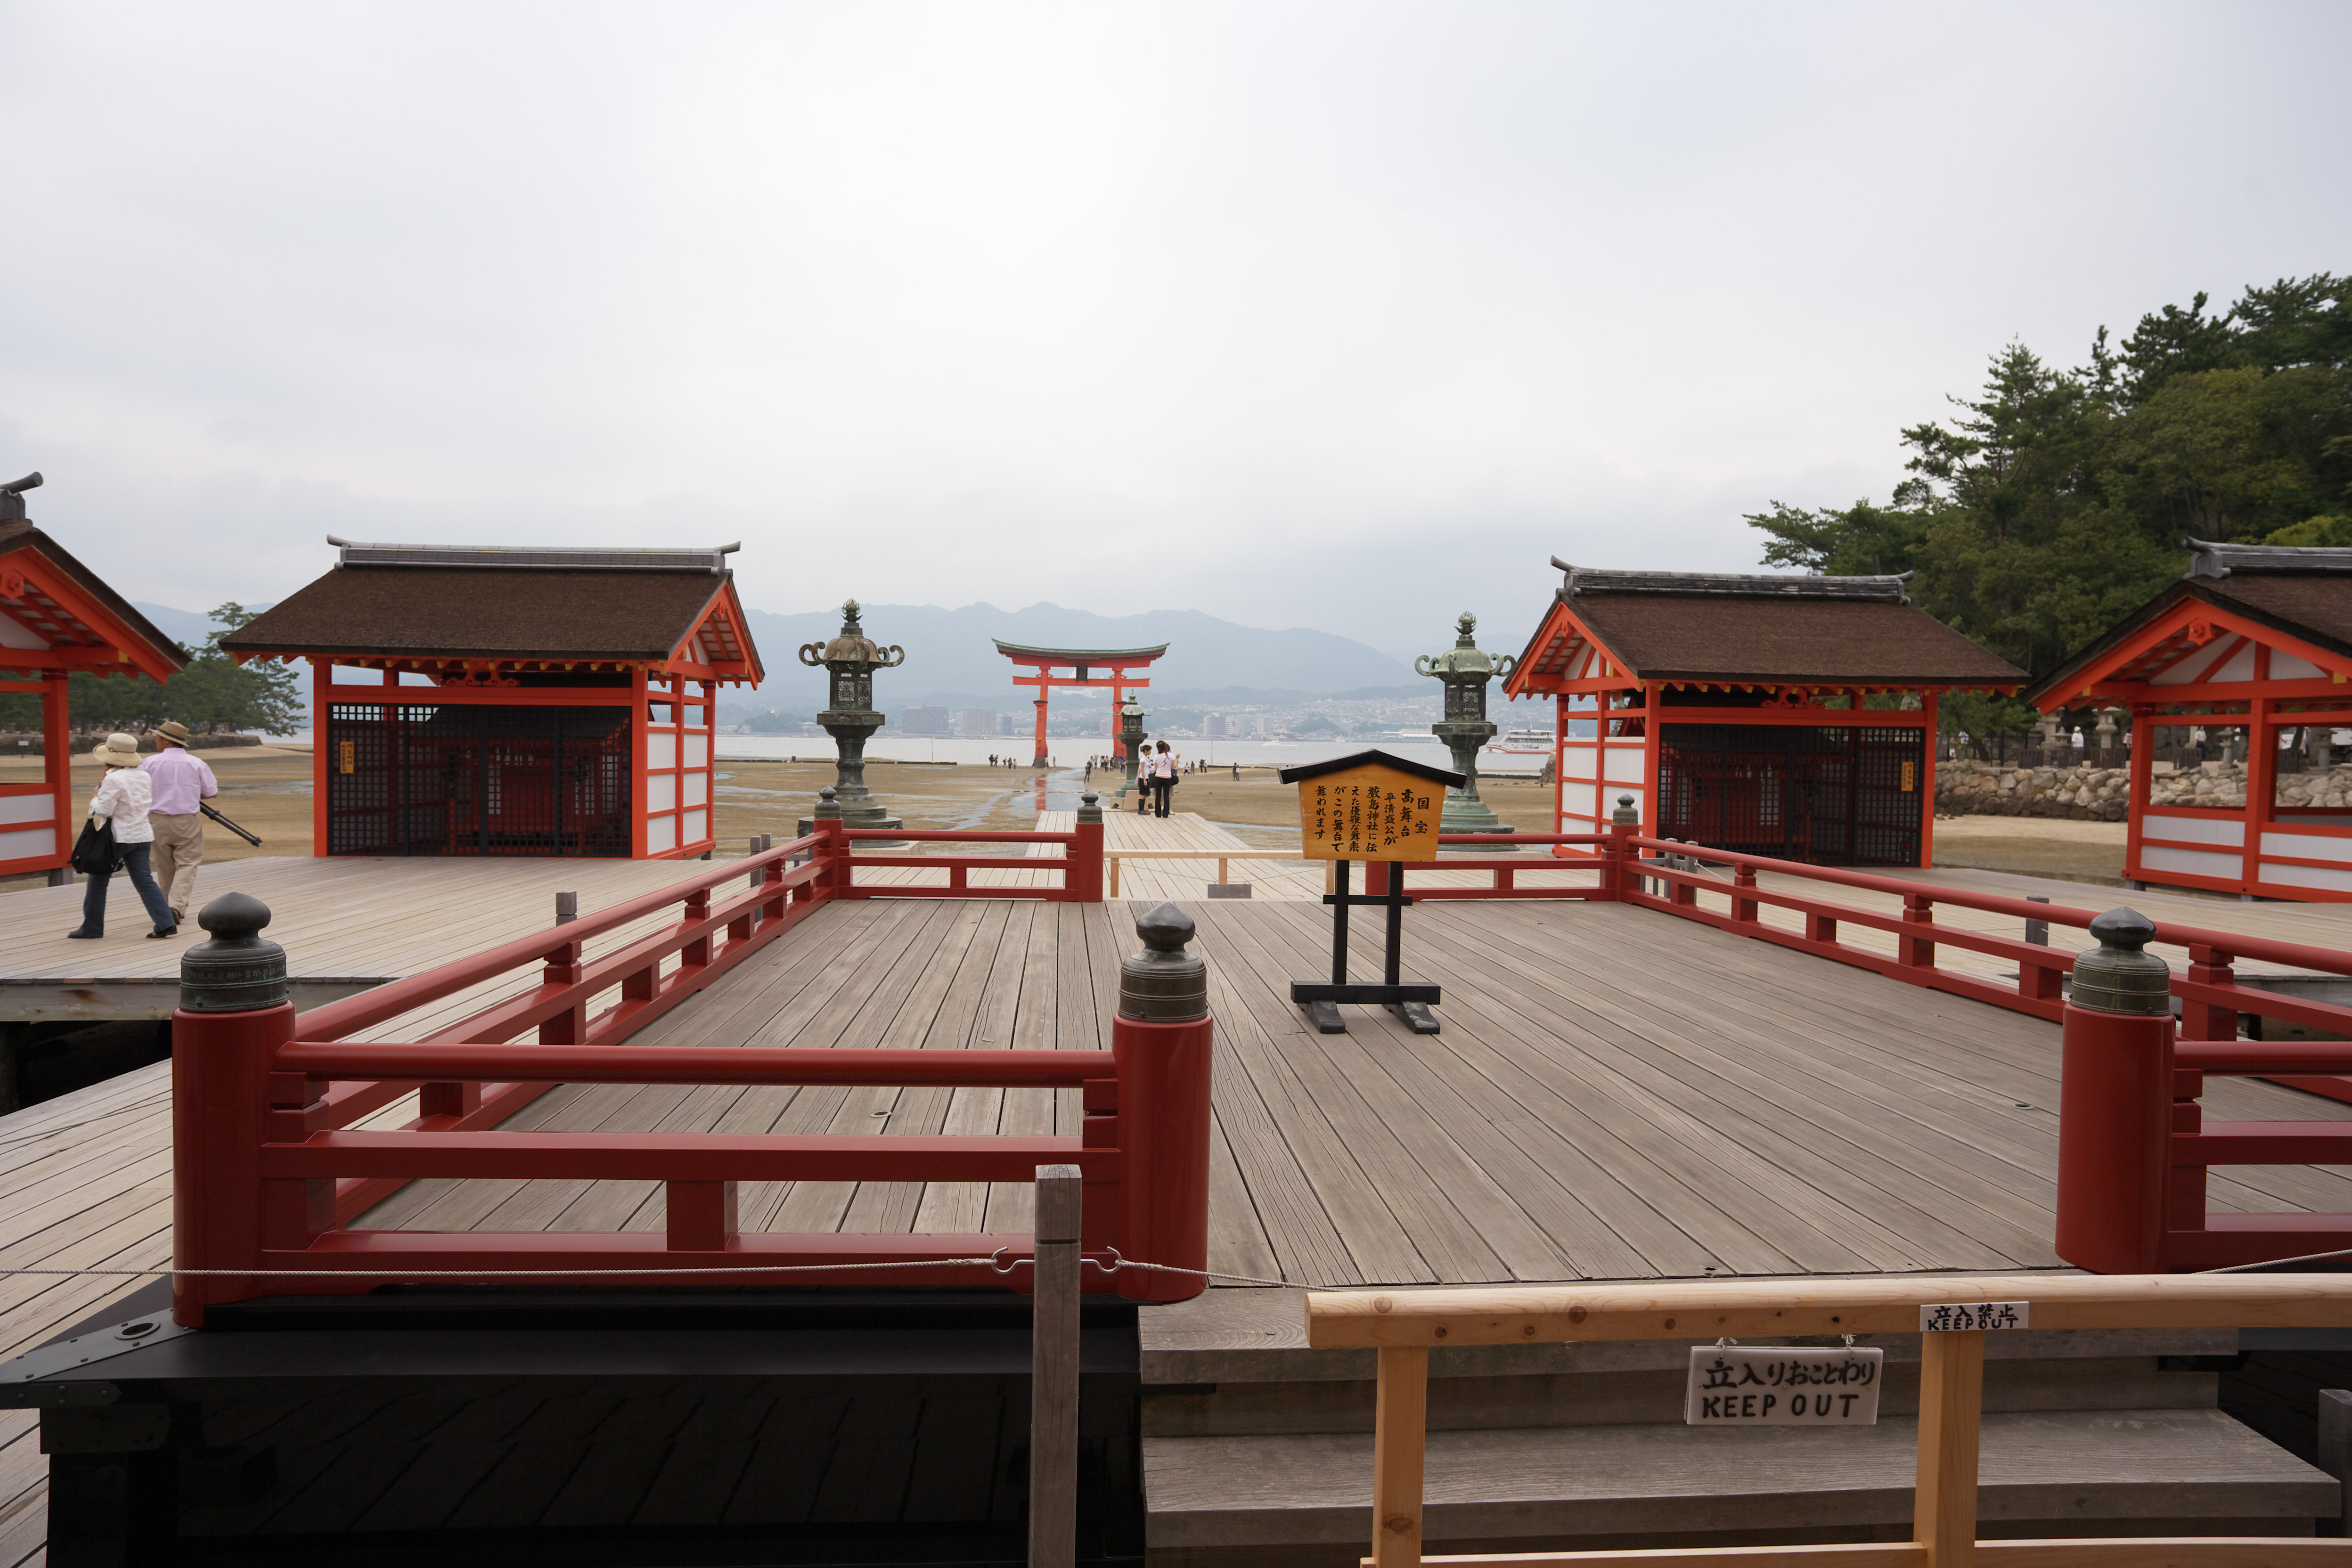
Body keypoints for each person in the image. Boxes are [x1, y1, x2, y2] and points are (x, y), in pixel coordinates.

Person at [67, 733, 177, 939]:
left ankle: (92, 928)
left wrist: (95, 798)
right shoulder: (144, 776)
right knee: (145, 881)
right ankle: (166, 922)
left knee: (98, 881)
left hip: (117, 837)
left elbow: (104, 811)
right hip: (142, 834)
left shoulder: (113, 779)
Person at [140, 719, 217, 928]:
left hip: (156, 819)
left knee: (164, 865)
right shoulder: (197, 763)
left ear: (166, 740)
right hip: (187, 819)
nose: (156, 740)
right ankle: (176, 906)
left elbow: (139, 790)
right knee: (187, 864)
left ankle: (166, 910)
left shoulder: (149, 763)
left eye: (157, 737)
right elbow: (211, 792)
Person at [1150, 739, 1178, 818]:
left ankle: (1158, 813)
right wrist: (1177, 759)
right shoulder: (1171, 756)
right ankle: (1165, 813)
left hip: (1158, 776)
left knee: (1158, 796)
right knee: (1166, 796)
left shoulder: (1156, 757)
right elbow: (1174, 767)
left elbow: (1156, 769)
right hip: (1167, 777)